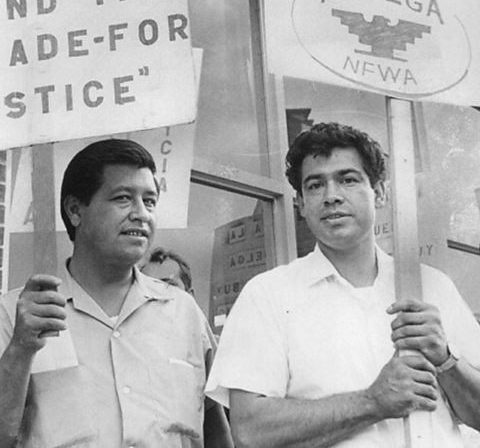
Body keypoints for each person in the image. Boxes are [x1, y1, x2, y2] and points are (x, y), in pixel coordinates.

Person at [206, 122, 480, 447]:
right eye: (315, 185)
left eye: (348, 180)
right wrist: (372, 402)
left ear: (379, 193)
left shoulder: (431, 287)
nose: (331, 196)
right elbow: (250, 431)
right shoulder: (268, 295)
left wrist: (446, 360)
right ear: (300, 203)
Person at [0, 138, 233, 448]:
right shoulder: (18, 316)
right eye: (123, 198)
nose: (141, 214)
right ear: (75, 210)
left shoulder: (184, 312)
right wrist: (20, 350)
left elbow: (216, 431)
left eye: (150, 201)